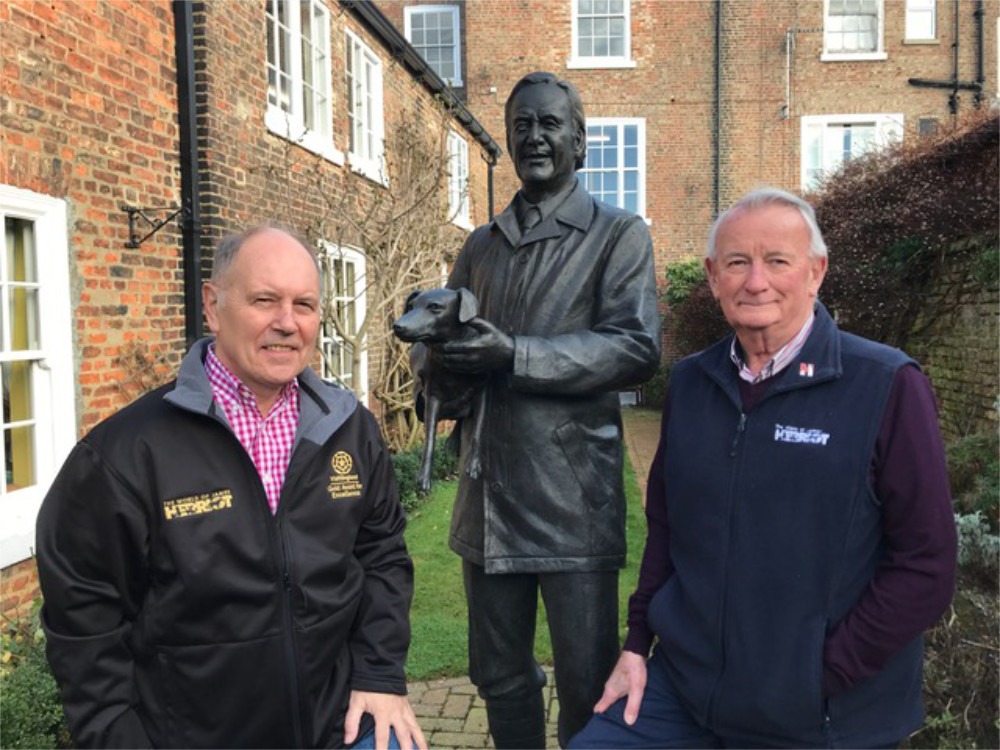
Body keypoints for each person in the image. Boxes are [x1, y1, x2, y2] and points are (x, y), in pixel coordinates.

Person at [570, 187, 958, 749]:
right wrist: (636, 645)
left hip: (819, 713)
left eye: (777, 261)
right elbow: (668, 532)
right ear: (712, 276)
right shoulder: (691, 383)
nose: (756, 281)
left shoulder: (886, 385)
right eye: (737, 263)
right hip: (685, 691)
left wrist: (822, 675)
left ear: (816, 271)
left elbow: (927, 566)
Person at [36, 226, 427, 750]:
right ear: (213, 305)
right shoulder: (126, 454)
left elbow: (382, 557)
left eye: (305, 304)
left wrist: (379, 675)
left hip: (341, 724)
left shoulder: (349, 427)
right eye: (265, 300)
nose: (287, 323)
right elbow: (85, 619)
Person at [435, 71, 661, 748]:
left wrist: (514, 355)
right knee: (499, 675)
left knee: (588, 682)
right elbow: (448, 353)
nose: (534, 137)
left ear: (581, 143)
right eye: (522, 125)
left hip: (573, 504)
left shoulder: (618, 235)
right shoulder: (480, 245)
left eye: (550, 124)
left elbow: (634, 347)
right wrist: (438, 364)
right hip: (489, 499)